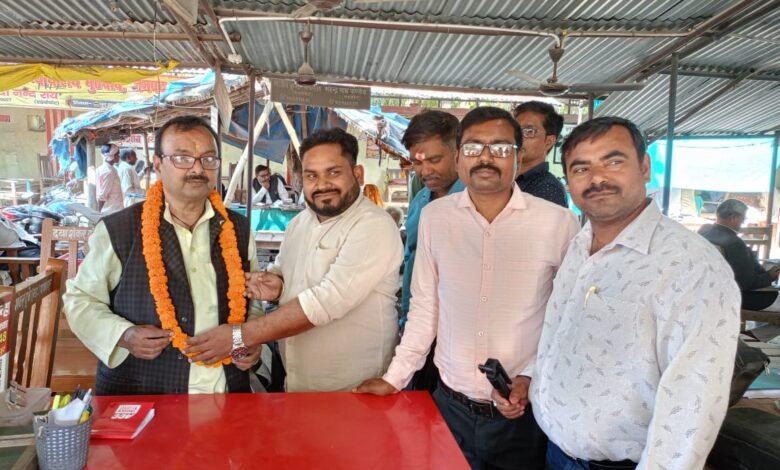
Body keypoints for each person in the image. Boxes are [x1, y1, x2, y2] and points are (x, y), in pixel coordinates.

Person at [355, 107, 580, 469]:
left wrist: (531, 375)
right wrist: (395, 378)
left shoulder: (559, 223)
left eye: (501, 148)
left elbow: (567, 318)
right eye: (474, 147)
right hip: (448, 408)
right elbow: (425, 308)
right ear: (459, 156)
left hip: (520, 415)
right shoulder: (435, 218)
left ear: (518, 156)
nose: (486, 158)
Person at [511, 117, 740, 469]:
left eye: (614, 161)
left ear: (644, 167)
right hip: (557, 452)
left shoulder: (691, 265)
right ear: (569, 180)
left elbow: (693, 401)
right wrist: (531, 375)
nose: (597, 179)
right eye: (581, 168)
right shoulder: (579, 245)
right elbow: (559, 331)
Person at [186, 128, 403, 392]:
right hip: (297, 381)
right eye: (312, 175)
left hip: (354, 386)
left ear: (357, 174)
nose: (322, 184)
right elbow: (283, 269)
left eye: (333, 172)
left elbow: (326, 301)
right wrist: (277, 285)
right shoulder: (299, 223)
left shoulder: (373, 225)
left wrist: (239, 336)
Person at [63, 116, 263, 395]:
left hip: (226, 389)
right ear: (158, 164)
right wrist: (123, 335)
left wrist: (249, 338)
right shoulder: (119, 229)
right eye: (182, 158)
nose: (197, 169)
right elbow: (79, 299)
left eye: (208, 159)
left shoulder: (238, 229)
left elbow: (252, 300)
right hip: (145, 392)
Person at [400, 110, 465, 327]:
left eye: (435, 160)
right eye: (417, 162)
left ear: (458, 153)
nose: (425, 171)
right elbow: (411, 259)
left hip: (455, 326)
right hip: (416, 321)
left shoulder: (477, 203)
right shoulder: (420, 199)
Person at [699, 198, 780, 311]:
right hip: (745, 298)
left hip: (713, 291)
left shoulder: (704, 232)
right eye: (743, 219)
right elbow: (747, 283)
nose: (743, 223)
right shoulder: (734, 243)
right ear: (733, 217)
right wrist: (770, 276)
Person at [513, 101, 568, 207]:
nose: (517, 137)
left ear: (548, 142)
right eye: (516, 130)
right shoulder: (508, 179)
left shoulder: (548, 188)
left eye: (529, 131)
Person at [95, 144, 123, 213]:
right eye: (117, 154)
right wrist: (98, 213)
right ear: (112, 156)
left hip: (113, 209)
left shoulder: (102, 169)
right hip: (111, 211)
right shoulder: (109, 172)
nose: (119, 156)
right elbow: (102, 195)